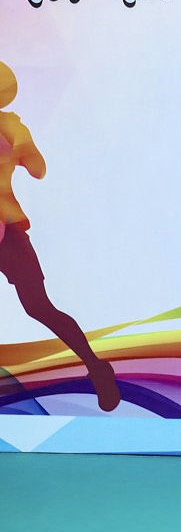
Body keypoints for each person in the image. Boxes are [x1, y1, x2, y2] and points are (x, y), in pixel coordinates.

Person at [0, 61, 119, 411]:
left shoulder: (10, 125)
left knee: (38, 306)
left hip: (8, 233)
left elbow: (38, 168)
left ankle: (96, 367)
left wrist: (22, 149)